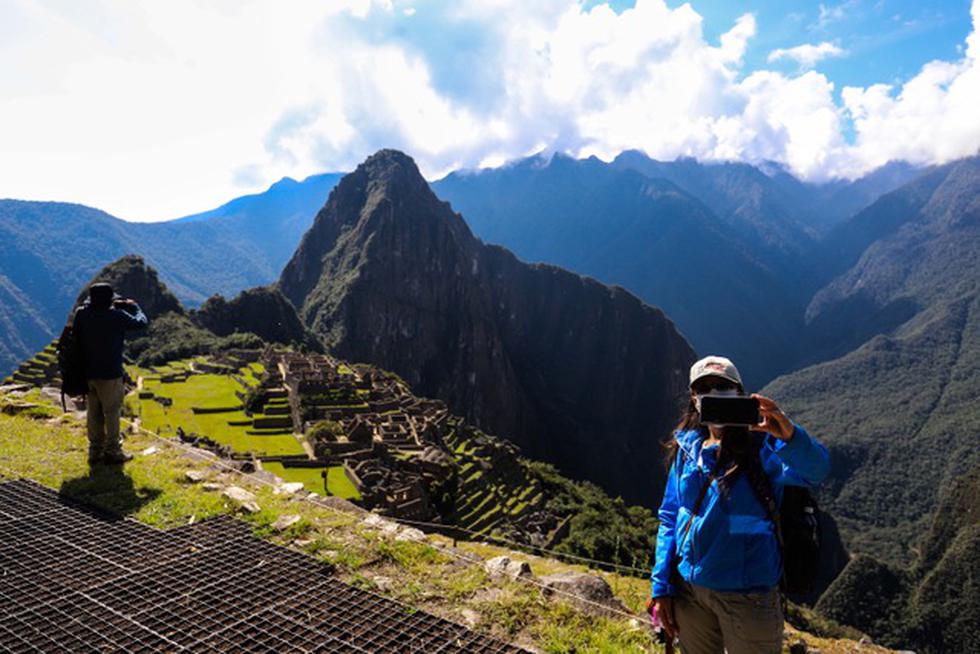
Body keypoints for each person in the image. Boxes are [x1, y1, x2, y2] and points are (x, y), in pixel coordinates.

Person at [649, 355, 830, 654]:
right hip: (690, 592)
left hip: (749, 595)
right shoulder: (686, 448)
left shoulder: (765, 449)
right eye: (703, 387)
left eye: (722, 386)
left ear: (740, 393)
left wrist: (790, 436)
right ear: (694, 398)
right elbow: (671, 516)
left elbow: (816, 470)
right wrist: (662, 584)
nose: (713, 392)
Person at [72, 282, 148, 465]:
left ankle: (95, 451)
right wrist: (133, 306)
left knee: (94, 411)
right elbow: (142, 323)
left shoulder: (82, 314)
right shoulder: (117, 316)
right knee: (112, 411)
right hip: (110, 373)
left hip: (87, 372)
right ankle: (113, 450)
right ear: (109, 301)